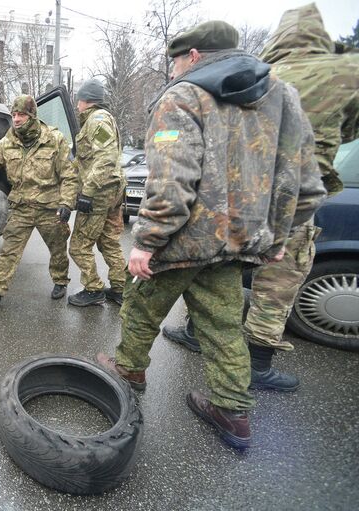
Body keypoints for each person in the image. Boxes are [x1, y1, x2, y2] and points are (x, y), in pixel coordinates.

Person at [95, 20, 325, 450]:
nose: (171, 70)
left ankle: (128, 369)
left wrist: (147, 241)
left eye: (175, 60)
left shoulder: (183, 95)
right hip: (237, 241)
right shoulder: (284, 96)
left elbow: (171, 179)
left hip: (181, 241)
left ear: (195, 56)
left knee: (141, 305)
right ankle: (233, 411)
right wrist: (280, 238)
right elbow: (306, 180)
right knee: (222, 326)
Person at [162, 3, 359, 392]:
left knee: (217, 266)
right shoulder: (347, 74)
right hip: (291, 197)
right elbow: (351, 130)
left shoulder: (252, 76)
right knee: (277, 281)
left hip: (238, 194)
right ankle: (256, 365)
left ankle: (196, 332)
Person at [0, 95, 77, 307]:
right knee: (9, 249)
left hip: (50, 207)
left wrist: (66, 203)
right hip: (21, 207)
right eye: (14, 115)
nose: (16, 119)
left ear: (32, 116)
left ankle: (60, 281)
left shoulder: (54, 139)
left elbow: (69, 175)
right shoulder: (8, 142)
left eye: (21, 115)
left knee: (57, 248)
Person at [67, 78, 128, 307]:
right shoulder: (100, 119)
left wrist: (87, 192)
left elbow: (106, 157)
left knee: (79, 245)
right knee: (109, 242)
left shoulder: (97, 120)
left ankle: (94, 289)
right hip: (111, 191)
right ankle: (121, 289)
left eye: (79, 101)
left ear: (86, 100)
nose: (77, 106)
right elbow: (88, 159)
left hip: (100, 192)